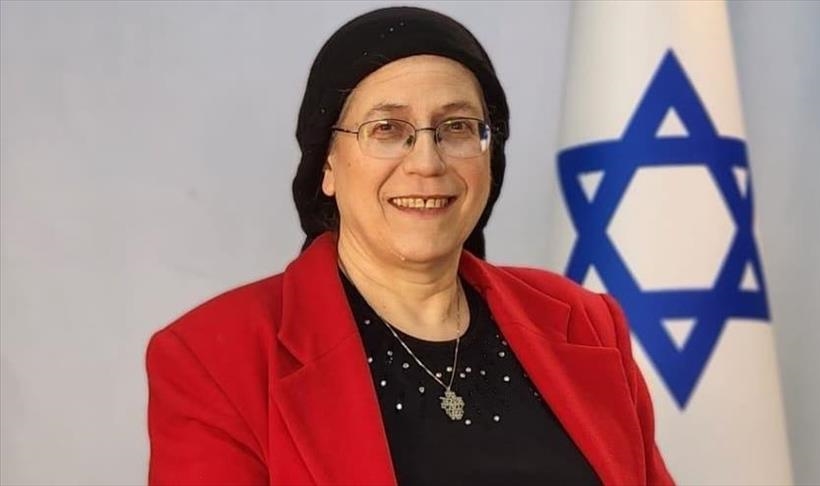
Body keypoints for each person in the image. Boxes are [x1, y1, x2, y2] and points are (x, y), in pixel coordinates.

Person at [146, 6, 674, 486]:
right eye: (387, 129)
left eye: (457, 127)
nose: (426, 162)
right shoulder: (214, 359)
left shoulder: (587, 324)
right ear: (326, 163)